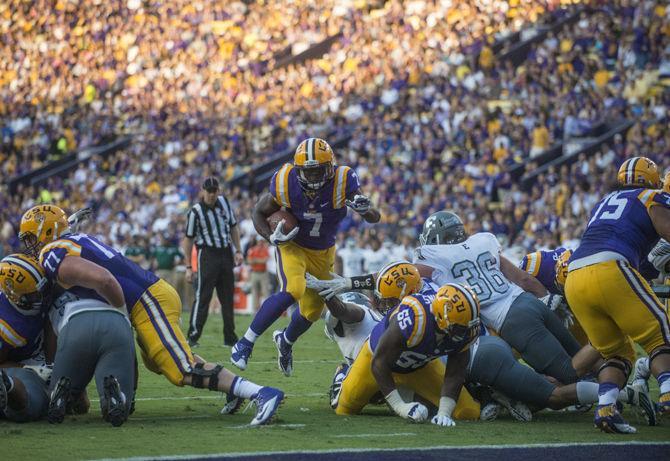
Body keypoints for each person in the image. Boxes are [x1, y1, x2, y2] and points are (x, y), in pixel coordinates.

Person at [18, 204, 284, 426]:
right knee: (156, 363)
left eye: (31, 237)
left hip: (146, 301)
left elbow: (104, 279)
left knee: (181, 370)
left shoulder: (51, 252)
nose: (29, 244)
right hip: (151, 295)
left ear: (47, 230)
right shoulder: (72, 241)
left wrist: (121, 311)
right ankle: (231, 390)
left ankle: (260, 393)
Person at [231, 138, 380, 376]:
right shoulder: (285, 180)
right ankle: (245, 343)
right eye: (307, 172)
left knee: (311, 312)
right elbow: (258, 212)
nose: (313, 178)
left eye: (318, 171)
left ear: (330, 167)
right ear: (298, 170)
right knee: (294, 289)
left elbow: (374, 217)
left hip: (323, 250)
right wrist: (271, 237)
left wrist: (366, 210)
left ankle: (286, 341)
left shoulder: (343, 180)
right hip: (294, 245)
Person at [565, 156, 670, 434]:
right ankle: (669, 391)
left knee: (618, 352)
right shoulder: (652, 196)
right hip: (610, 267)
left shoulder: (603, 202)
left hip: (575, 277)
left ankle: (606, 409)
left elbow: (643, 262)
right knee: (660, 332)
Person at [334, 261, 480, 424]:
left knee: (468, 412)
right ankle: (343, 374)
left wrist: (444, 413)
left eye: (467, 325)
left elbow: (456, 371)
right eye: (459, 327)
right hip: (376, 358)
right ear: (440, 318)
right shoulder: (415, 317)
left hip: (420, 366)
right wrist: (400, 407)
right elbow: (379, 363)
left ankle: (398, 394)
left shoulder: (463, 325)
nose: (466, 332)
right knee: (345, 408)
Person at [46, 290, 136, 427]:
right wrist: (132, 391)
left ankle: (61, 396)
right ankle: (116, 398)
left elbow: (51, 352)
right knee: (122, 405)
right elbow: (132, 361)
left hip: (74, 326)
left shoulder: (53, 297)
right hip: (116, 324)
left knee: (66, 390)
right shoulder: (112, 285)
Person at [182, 176, 243, 347]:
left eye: (214, 191)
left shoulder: (224, 202)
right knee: (203, 297)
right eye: (208, 191)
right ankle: (193, 336)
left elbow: (233, 227)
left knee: (227, 298)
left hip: (225, 253)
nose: (211, 195)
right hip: (207, 255)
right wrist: (188, 266)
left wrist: (238, 250)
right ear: (202, 191)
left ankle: (230, 338)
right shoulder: (195, 211)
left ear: (218, 191)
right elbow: (188, 239)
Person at [0, 254, 52, 423]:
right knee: (34, 404)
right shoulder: (7, 325)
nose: (41, 297)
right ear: (13, 294)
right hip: (19, 369)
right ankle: (8, 385)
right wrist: (31, 368)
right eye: (34, 296)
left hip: (38, 360)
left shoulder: (35, 298)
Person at [246, 238, 270, 311]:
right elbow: (249, 261)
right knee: (255, 292)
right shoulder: (252, 249)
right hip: (255, 273)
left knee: (265, 292)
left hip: (263, 273)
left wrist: (255, 260)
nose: (260, 243)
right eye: (259, 241)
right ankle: (255, 310)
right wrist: (259, 260)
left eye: (261, 241)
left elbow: (265, 260)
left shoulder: (264, 250)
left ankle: (267, 309)